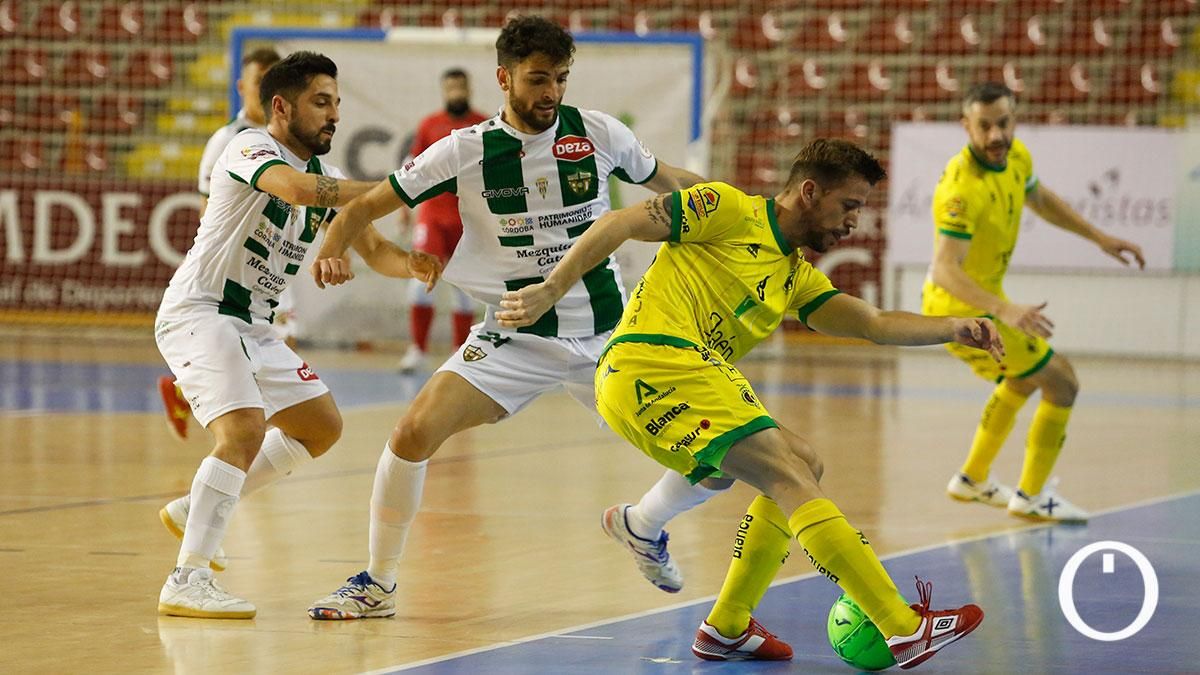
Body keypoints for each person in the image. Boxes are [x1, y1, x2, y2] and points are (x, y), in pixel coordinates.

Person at [496, 138, 995, 668]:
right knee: (788, 476)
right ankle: (901, 626)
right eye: (849, 205)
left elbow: (873, 324)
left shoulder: (794, 276)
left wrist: (953, 328)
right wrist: (551, 289)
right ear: (809, 192)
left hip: (668, 377)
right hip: (657, 362)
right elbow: (619, 223)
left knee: (802, 462)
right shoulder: (727, 208)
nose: (854, 222)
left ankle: (726, 626)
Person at [305, 16, 717, 620]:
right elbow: (367, 203)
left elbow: (674, 182)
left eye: (560, 78)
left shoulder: (597, 132)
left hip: (612, 337)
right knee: (410, 435)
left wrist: (734, 211)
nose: (551, 92)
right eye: (538, 79)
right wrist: (333, 249)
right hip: (515, 335)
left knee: (721, 455)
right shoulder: (463, 149)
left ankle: (644, 523)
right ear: (504, 78)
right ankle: (378, 582)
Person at [154, 51, 442, 619]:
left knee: (320, 425)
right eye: (320, 102)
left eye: (337, 103)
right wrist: (399, 187)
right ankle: (186, 578)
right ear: (281, 106)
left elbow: (375, 250)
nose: (334, 115)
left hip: (254, 327)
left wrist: (414, 263)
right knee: (243, 429)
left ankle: (197, 507)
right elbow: (298, 191)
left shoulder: (331, 177)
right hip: (203, 311)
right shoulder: (250, 148)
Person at [926, 82, 1145, 523]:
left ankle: (972, 479)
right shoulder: (960, 189)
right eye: (983, 126)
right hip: (961, 310)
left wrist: (1099, 237)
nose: (995, 136)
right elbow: (945, 268)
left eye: (1002, 123)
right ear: (966, 126)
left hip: (987, 302)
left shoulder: (1017, 157)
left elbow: (1041, 199)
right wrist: (1004, 310)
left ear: (1014, 120)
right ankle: (1031, 495)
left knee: (1024, 380)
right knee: (1062, 381)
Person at [157, 47, 283, 441]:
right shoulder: (226, 140)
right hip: (239, 266)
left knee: (266, 342)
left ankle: (187, 390)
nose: (264, 89)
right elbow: (209, 209)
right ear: (242, 87)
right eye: (259, 80)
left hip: (274, 260)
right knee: (274, 339)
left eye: (272, 80)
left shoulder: (285, 141)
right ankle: (223, 412)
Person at [396, 69, 489, 372]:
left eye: (460, 87)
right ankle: (418, 350)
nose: (455, 93)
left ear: (468, 88)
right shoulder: (430, 125)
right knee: (421, 280)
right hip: (433, 216)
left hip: (468, 218)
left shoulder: (483, 124)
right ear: (443, 90)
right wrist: (403, 207)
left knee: (464, 286)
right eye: (450, 87)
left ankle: (460, 353)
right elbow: (410, 167)